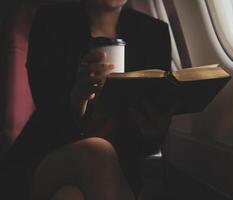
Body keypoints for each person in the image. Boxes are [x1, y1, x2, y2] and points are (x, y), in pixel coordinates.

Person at [0, 0, 172, 199]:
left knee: (69, 196)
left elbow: (144, 142)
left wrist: (154, 132)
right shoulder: (52, 21)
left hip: (116, 169)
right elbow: (46, 114)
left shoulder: (153, 33)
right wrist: (77, 98)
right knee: (97, 152)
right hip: (46, 157)